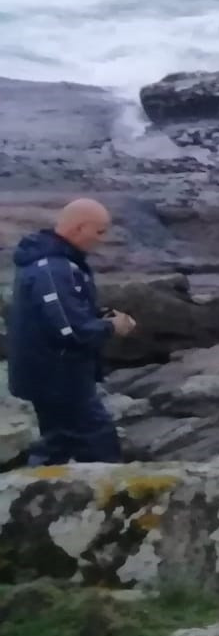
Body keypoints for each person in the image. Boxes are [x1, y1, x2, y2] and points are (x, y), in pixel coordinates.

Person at [7, 199, 135, 465]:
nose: (102, 240)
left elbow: (57, 315)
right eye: (99, 232)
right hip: (59, 379)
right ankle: (109, 501)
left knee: (58, 442)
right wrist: (113, 326)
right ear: (78, 229)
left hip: (50, 376)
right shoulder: (54, 269)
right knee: (97, 441)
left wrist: (98, 315)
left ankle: (41, 494)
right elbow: (71, 331)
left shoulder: (51, 262)